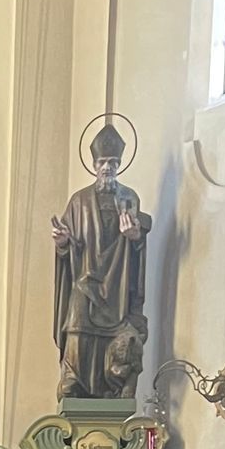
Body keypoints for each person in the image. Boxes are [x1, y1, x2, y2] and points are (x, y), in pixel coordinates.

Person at [52, 122, 151, 401]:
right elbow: (68, 246)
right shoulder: (79, 201)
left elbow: (139, 241)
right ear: (94, 165)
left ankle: (113, 385)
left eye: (113, 162)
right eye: (102, 162)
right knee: (76, 325)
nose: (107, 167)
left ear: (119, 165)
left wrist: (135, 237)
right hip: (85, 281)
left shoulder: (129, 198)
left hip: (117, 286)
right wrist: (63, 243)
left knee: (122, 340)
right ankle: (74, 382)